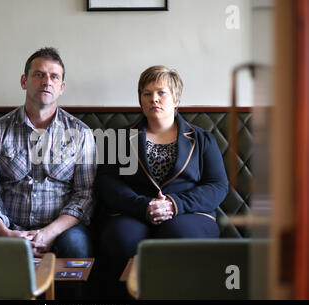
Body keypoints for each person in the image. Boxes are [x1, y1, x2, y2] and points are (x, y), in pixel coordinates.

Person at [95, 65, 229, 293]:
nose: (153, 99)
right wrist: (143, 205)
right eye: (146, 94)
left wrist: (174, 205)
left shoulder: (202, 139)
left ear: (176, 98)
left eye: (161, 92)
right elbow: (107, 182)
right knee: (121, 238)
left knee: (180, 237)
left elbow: (217, 186)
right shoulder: (119, 138)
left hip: (189, 214)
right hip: (133, 212)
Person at [0, 47, 97, 258]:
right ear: (24, 81)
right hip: (4, 228)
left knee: (77, 246)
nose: (46, 81)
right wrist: (7, 234)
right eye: (39, 74)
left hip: (60, 231)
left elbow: (85, 195)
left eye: (54, 77)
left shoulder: (81, 134)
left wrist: (49, 233)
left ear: (61, 87)